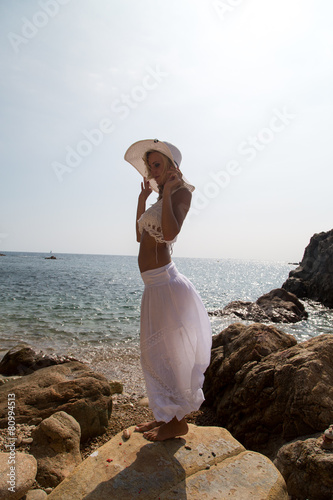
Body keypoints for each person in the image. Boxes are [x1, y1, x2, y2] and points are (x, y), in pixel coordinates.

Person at [124, 139, 212, 441]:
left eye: (156, 164)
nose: (152, 170)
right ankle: (166, 416)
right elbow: (140, 238)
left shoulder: (182, 193)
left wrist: (171, 191)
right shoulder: (158, 200)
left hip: (166, 284)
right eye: (150, 166)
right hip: (153, 286)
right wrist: (142, 198)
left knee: (171, 354)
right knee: (156, 354)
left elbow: (171, 233)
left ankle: (178, 422)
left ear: (172, 165)